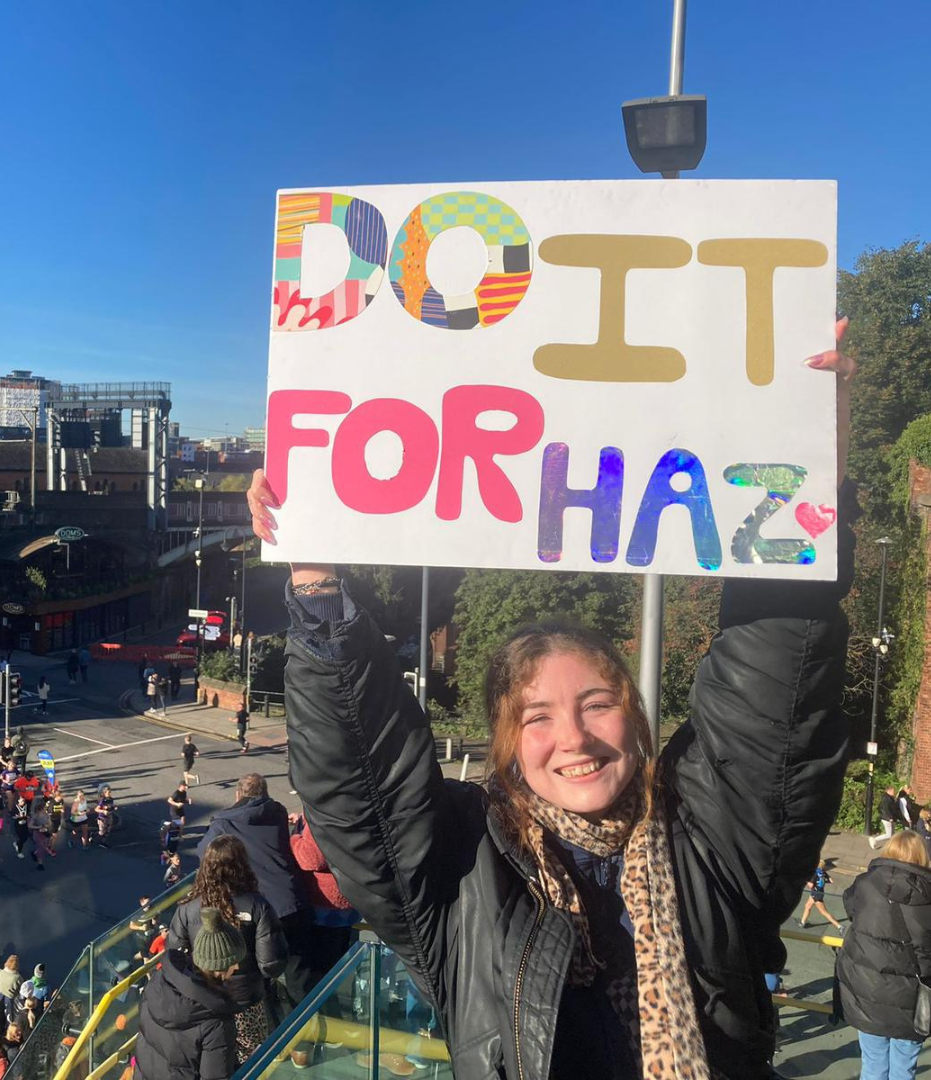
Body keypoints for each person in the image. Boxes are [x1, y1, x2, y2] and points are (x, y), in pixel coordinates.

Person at [246, 316, 858, 1080]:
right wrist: (316, 583)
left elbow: (774, 702)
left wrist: (806, 459)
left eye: (597, 703)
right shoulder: (458, 877)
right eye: (536, 717)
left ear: (633, 719)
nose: (574, 737)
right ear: (505, 746)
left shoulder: (715, 839)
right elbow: (360, 787)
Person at [197, 773, 316, 1007]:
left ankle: (273, 1032)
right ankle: (308, 1032)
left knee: (260, 976)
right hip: (293, 900)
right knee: (300, 978)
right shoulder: (278, 812)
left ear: (237, 794)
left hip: (260, 909)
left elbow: (204, 853)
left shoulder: (225, 822)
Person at [170, 836, 287, 1063]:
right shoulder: (257, 905)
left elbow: (175, 954)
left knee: (214, 1060)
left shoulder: (187, 907)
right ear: (242, 865)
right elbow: (270, 964)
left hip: (202, 1001)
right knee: (252, 1060)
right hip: (246, 1001)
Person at [837, 829, 931, 1080]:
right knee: (904, 1067)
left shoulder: (865, 884)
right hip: (912, 1001)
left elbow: (851, 908)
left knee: (873, 1064)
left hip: (868, 992)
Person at [133, 907, 244, 1080]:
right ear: (218, 969)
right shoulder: (216, 1022)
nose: (237, 967)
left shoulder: (157, 982)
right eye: (233, 962)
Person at [289, 814, 360, 984]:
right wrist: (304, 819)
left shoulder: (323, 816)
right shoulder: (350, 808)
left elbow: (310, 858)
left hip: (327, 904)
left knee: (323, 970)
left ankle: (326, 1003)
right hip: (351, 897)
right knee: (342, 956)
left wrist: (293, 838)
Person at [798, 859, 842, 931]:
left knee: (823, 912)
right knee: (807, 906)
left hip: (816, 894)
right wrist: (822, 881)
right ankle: (802, 922)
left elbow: (811, 885)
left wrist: (805, 880)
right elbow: (831, 881)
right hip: (819, 892)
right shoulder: (823, 872)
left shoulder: (815, 873)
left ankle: (839, 926)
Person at [870, 784, 899, 849]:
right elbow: (885, 809)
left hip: (889, 818)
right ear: (889, 790)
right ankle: (874, 839)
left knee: (892, 834)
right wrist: (890, 818)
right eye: (893, 791)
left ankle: (891, 846)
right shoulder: (886, 799)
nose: (894, 792)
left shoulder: (889, 797)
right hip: (886, 818)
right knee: (888, 834)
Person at [28, 798, 53, 871]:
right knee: (41, 847)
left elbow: (50, 823)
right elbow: (30, 825)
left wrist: (46, 826)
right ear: (41, 808)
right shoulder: (35, 816)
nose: (46, 808)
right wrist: (38, 827)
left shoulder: (46, 814)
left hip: (45, 832)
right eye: (45, 807)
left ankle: (35, 853)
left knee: (44, 846)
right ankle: (40, 864)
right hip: (37, 833)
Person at [0, 958, 22, 1025]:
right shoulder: (17, 977)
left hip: (0, 994)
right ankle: (8, 1027)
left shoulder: (1, 972)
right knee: (9, 1015)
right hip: (9, 998)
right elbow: (20, 989)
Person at [95, 784, 116, 848]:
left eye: (110, 792)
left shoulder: (111, 799)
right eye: (108, 793)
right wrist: (103, 811)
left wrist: (113, 808)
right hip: (102, 818)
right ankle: (93, 837)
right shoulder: (102, 801)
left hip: (109, 817)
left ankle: (102, 842)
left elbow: (111, 807)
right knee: (102, 831)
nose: (109, 794)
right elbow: (96, 809)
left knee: (107, 831)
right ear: (104, 793)